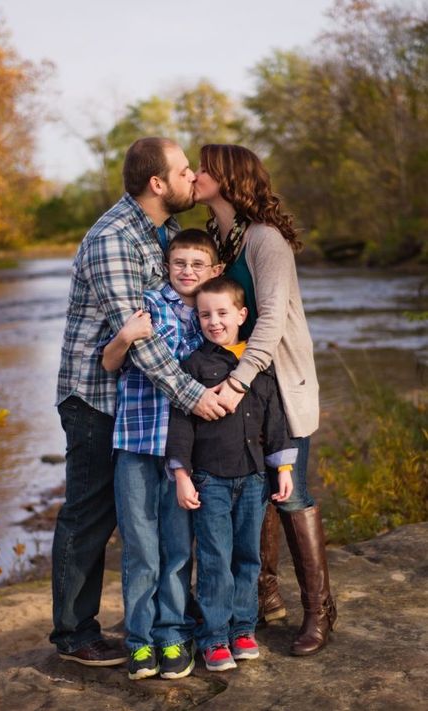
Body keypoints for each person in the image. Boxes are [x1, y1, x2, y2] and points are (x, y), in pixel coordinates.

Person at [52, 137, 227, 665]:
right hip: (97, 398)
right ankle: (74, 634)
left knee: (167, 514)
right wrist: (195, 396)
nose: (191, 176)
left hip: (147, 405)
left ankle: (172, 617)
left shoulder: (166, 233)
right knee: (90, 512)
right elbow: (142, 340)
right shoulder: (113, 238)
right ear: (157, 184)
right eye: (182, 170)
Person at [194, 144, 337, 656]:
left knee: (291, 494)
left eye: (204, 168)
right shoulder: (221, 239)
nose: (195, 174)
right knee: (252, 490)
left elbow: (271, 320)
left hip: (277, 384)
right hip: (246, 386)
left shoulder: (265, 240)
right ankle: (264, 594)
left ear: (229, 179)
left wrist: (235, 382)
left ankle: (320, 613)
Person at [100, 229, 223, 680]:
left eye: (197, 264)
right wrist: (127, 335)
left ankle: (172, 634)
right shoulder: (147, 304)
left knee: (176, 546)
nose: (187, 271)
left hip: (183, 453)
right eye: (179, 263)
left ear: (213, 270)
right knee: (139, 546)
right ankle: (139, 640)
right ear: (166, 265)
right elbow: (109, 362)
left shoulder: (213, 319)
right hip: (135, 442)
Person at [166, 276, 297, 671]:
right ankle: (215, 638)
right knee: (214, 558)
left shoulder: (257, 363)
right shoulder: (193, 365)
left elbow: (275, 420)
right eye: (205, 314)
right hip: (211, 479)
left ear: (242, 314)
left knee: (248, 557)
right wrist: (182, 475)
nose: (214, 321)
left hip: (255, 478)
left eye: (222, 313)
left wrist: (284, 468)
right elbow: (180, 423)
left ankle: (243, 629)